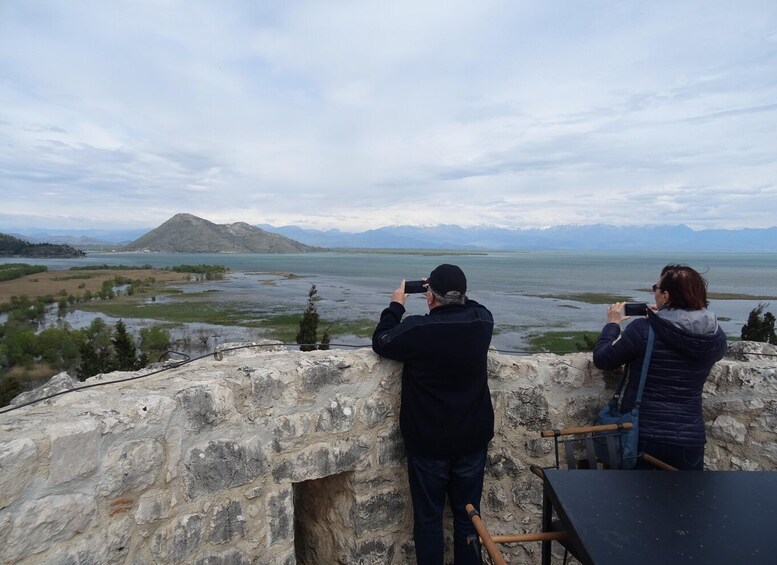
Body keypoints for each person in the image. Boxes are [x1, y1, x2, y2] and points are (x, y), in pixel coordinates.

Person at [372, 264, 494, 565]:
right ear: (463, 295)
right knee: (469, 518)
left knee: (428, 522)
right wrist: (446, 292)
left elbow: (382, 340)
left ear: (430, 298)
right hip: (472, 439)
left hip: (428, 443)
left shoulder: (417, 329)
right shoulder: (482, 323)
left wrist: (396, 304)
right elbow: (475, 306)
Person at [593, 264, 728, 470]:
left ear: (665, 296)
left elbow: (603, 359)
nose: (654, 292)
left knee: (636, 500)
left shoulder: (643, 330)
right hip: (689, 439)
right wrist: (662, 319)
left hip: (643, 435)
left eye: (655, 288)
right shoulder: (715, 336)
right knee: (686, 501)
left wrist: (612, 324)